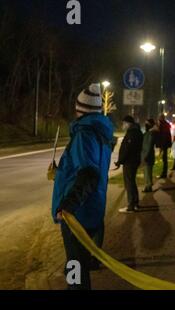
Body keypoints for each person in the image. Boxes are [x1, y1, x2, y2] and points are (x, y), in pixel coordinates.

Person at [49, 83, 114, 290]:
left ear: (80, 109)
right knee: (79, 266)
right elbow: (85, 168)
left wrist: (67, 205)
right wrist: (60, 171)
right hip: (91, 208)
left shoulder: (84, 134)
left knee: (75, 268)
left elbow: (88, 174)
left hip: (78, 214)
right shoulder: (99, 133)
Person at [116, 115, 143, 213]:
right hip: (134, 160)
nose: (123, 125)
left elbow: (127, 149)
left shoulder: (132, 133)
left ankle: (131, 205)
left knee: (129, 183)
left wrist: (120, 161)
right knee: (132, 182)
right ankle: (135, 203)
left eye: (123, 123)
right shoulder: (137, 132)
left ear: (128, 123)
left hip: (129, 162)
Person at [142, 118, 157, 192]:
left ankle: (149, 186)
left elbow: (149, 146)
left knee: (148, 172)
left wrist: (145, 156)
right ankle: (147, 186)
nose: (145, 125)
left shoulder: (151, 134)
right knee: (145, 172)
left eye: (147, 123)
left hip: (148, 156)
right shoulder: (147, 133)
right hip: (145, 156)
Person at [155, 114, 172, 178]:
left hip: (164, 144)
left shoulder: (162, 125)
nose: (158, 119)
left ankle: (164, 173)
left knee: (164, 159)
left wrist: (161, 146)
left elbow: (163, 136)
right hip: (165, 144)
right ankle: (164, 173)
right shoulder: (165, 124)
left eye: (159, 118)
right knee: (164, 159)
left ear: (161, 118)